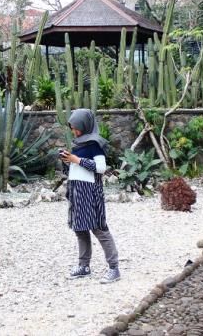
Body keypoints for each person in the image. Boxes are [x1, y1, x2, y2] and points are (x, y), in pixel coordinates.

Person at [59, 108, 120, 284]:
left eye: (76, 127)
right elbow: (75, 169)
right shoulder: (78, 144)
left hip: (90, 191)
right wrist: (66, 160)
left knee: (99, 228)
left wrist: (76, 160)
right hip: (77, 190)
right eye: (72, 128)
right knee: (80, 228)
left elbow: (101, 168)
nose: (74, 131)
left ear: (85, 125)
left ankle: (114, 268)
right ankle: (84, 266)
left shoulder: (94, 144)